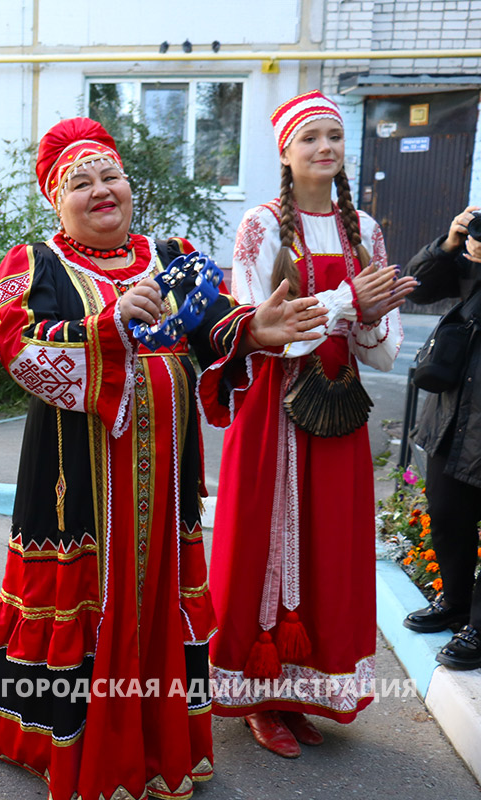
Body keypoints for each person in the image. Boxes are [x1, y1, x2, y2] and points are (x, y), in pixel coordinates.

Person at [0, 116, 329, 800]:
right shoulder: (36, 263)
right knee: (83, 600)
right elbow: (20, 350)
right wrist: (107, 327)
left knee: (163, 595)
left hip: (165, 485)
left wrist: (255, 327)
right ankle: (66, 743)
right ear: (56, 198)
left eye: (111, 176)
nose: (101, 190)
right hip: (77, 483)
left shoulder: (171, 254)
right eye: (81, 182)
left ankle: (159, 736)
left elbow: (215, 323)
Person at [208, 91, 417, 757]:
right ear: (285, 152)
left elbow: (376, 348)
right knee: (266, 544)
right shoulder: (261, 224)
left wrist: (373, 319)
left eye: (333, 136)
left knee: (330, 546)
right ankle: (260, 699)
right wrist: (350, 300)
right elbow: (265, 331)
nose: (325, 147)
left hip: (339, 409)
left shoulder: (367, 231)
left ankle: (309, 692)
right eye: (310, 138)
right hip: (277, 404)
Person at [402, 206, 481, 671]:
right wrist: (450, 244)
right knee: (448, 513)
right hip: (453, 413)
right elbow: (419, 285)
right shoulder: (471, 256)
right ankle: (453, 602)